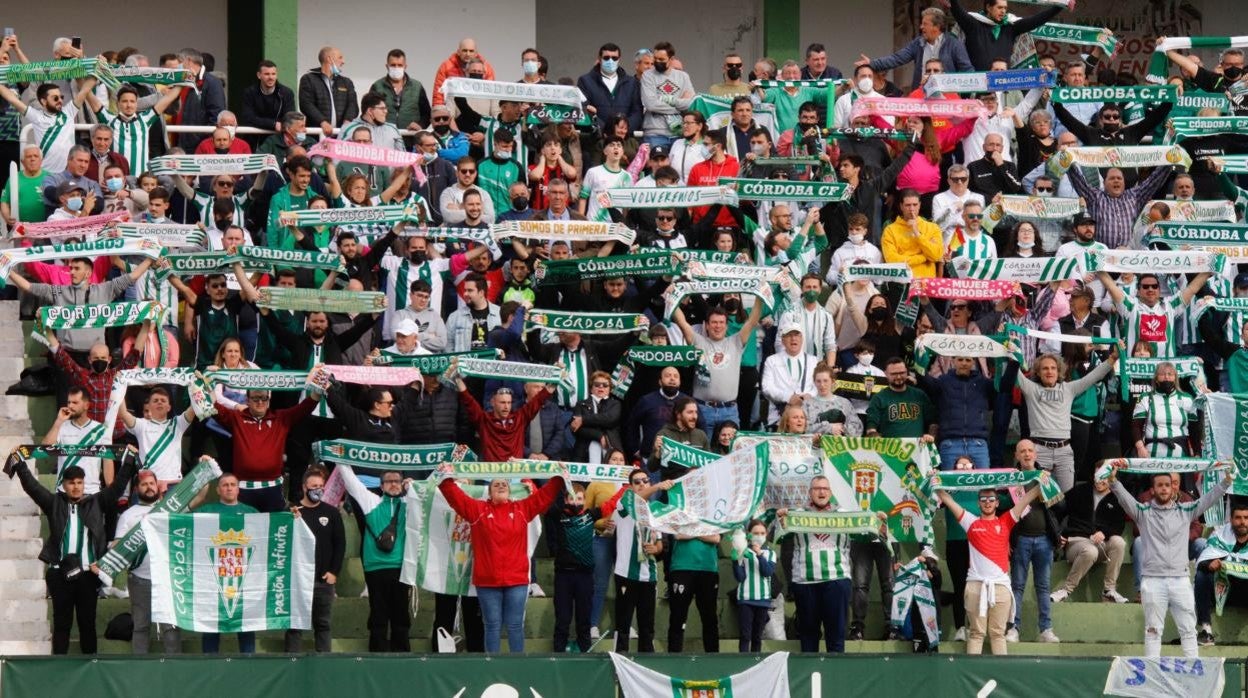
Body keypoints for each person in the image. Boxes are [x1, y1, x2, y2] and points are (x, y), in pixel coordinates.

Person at [10, 452, 136, 655]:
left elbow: (118, 486)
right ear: (63, 485)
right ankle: (59, 667)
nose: (76, 487)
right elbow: (33, 487)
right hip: (59, 573)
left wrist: (129, 460)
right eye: (71, 483)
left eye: (79, 482)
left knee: (87, 624)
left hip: (88, 574)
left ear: (84, 484)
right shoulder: (54, 503)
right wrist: (20, 464)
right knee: (62, 624)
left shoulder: (97, 502)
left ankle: (91, 667)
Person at [1108, 461, 1232, 658]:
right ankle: (1152, 672)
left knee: (1188, 630)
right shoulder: (1142, 512)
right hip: (1152, 580)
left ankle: (1192, 669)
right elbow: (1124, 498)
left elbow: (1208, 499)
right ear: (1152, 490)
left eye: (1167, 485)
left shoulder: (1186, 510)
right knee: (1152, 631)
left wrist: (1226, 481)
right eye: (1160, 485)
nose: (1164, 488)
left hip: (1180, 580)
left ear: (1173, 488)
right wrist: (1113, 481)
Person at [438, 468, 567, 653]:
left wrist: (559, 478)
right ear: (489, 492)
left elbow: (543, 497)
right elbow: (454, 496)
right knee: (492, 625)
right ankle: (493, 665)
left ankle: (516, 665)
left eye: (504, 484)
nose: (500, 486)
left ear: (510, 490)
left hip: (517, 580)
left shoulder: (521, 509)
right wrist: (445, 476)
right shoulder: (477, 510)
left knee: (515, 625)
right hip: (487, 581)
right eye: (496, 484)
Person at [934, 470, 1050, 655]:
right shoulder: (970, 522)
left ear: (997, 502)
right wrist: (936, 482)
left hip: (1001, 587)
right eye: (983, 499)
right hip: (975, 586)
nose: (987, 502)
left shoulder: (1006, 521)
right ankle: (972, 673)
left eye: (991, 499)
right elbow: (948, 500)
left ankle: (1000, 672)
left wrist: (1040, 481)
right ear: (978, 503)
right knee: (976, 633)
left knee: (997, 634)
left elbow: (1025, 499)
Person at [1014, 348, 1118, 492]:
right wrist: (1009, 350)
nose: (1049, 372)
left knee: (1068, 496)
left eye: (1053, 368)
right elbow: (1015, 371)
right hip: (1039, 451)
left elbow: (1093, 377)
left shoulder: (1068, 389)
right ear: (1038, 372)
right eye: (1045, 368)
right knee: (1038, 496)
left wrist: (1113, 358)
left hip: (1064, 452)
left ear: (1059, 372)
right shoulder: (1031, 388)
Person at [776, 476, 859, 653]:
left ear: (830, 492)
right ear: (810, 492)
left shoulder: (845, 515)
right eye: (817, 488)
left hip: (836, 579)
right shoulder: (796, 515)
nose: (821, 492)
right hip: (805, 582)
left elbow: (868, 535)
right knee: (808, 637)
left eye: (825, 489)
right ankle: (810, 671)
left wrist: (879, 524)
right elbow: (775, 537)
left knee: (836, 636)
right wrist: (780, 521)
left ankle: (835, 670)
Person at [337, 466, 412, 652]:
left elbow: (431, 492)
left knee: (401, 616)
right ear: (381, 485)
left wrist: (414, 488)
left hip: (400, 568)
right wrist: (340, 458)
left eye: (397, 481)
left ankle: (403, 658)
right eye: (389, 481)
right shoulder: (371, 501)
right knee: (378, 615)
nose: (393, 484)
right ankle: (377, 657)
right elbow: (352, 483)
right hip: (375, 568)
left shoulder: (409, 502)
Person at [111, 469, 182, 654]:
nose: (149, 487)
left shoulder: (170, 509)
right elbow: (118, 545)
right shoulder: (128, 515)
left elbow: (197, 498)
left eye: (151, 483)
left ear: (157, 486)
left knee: (171, 627)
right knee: (140, 625)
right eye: (144, 484)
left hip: (167, 578)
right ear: (136, 489)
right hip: (139, 578)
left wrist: (205, 470)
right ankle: (139, 666)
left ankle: (175, 666)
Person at [672, 301, 764, 434]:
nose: (718, 326)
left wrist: (759, 298)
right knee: (702, 447)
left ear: (726, 326)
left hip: (729, 411)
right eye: (714, 322)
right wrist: (672, 296)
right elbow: (682, 323)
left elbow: (751, 322)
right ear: (707, 325)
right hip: (703, 409)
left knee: (731, 447)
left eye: (721, 322)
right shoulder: (698, 341)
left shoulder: (736, 341)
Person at [1004, 440, 1062, 644]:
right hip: (1020, 539)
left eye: (1030, 451)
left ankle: (1046, 630)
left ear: (1035, 454)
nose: (1027, 454)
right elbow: (1003, 507)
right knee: (1017, 586)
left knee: (1043, 587)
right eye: (1023, 451)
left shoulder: (1045, 476)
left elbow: (1061, 506)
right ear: (1016, 455)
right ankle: (1013, 629)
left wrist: (1046, 491)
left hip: (1044, 540)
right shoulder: (1012, 478)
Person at [195, 472, 260, 654]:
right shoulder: (206, 511)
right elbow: (183, 522)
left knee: (246, 624)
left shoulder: (252, 513)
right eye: (225, 485)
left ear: (238, 489)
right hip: (212, 579)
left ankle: (249, 664)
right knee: (211, 624)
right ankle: (210, 665)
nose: (229, 488)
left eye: (232, 484)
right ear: (218, 490)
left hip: (243, 579)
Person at [611, 470, 675, 653]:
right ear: (630, 486)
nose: (641, 484)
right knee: (623, 625)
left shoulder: (654, 511)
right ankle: (619, 663)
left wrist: (656, 549)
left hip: (649, 575)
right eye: (637, 482)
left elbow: (659, 543)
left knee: (647, 627)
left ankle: (645, 664)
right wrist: (658, 486)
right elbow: (637, 499)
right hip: (626, 573)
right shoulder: (624, 501)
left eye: (645, 481)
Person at [285, 467, 345, 653]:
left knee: (323, 624)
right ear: (304, 487)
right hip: (298, 580)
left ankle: (324, 664)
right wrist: (290, 520)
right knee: (294, 625)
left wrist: (334, 572)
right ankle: (292, 662)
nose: (318, 490)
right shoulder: (292, 511)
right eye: (314, 486)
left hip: (323, 579)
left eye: (321, 486)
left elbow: (340, 544)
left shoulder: (331, 512)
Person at [1051, 476, 1129, 605]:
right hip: (1076, 542)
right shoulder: (1079, 491)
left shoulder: (1116, 498)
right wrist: (1057, 533)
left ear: (1111, 478)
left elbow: (1119, 525)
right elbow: (1056, 509)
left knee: (1119, 542)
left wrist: (1104, 533)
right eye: (1097, 476)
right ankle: (1065, 590)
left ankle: (1109, 590)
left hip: (1101, 545)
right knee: (1090, 551)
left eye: (1104, 478)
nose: (1100, 481)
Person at [861, 7, 973, 90]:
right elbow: (897, 58)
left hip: (946, 98)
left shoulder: (954, 44)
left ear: (937, 27)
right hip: (921, 96)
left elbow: (967, 70)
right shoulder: (918, 43)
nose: (921, 27)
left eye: (925, 24)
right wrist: (872, 63)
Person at [949, 0, 1064, 71]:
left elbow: (1036, 20)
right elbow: (958, 12)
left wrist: (1060, 6)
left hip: (1003, 84)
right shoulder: (974, 24)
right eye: (1000, 7)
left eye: (1005, 8)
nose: (1003, 11)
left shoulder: (1010, 26)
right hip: (978, 84)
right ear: (988, 7)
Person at [1194, 502, 1248, 646]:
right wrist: (1209, 564)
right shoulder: (1220, 536)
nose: (1242, 522)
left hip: (1244, 593)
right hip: (1221, 592)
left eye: (1246, 518)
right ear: (1231, 519)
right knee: (1202, 575)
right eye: (1238, 518)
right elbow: (1202, 561)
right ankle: (1206, 631)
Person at [667, 526, 722, 654]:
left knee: (710, 617)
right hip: (681, 568)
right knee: (678, 617)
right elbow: (677, 535)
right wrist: (703, 533)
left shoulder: (711, 515)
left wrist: (690, 532)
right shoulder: (680, 512)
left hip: (708, 568)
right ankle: (673, 658)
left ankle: (713, 658)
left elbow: (716, 538)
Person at [733, 519, 777, 652]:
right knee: (745, 636)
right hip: (745, 599)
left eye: (762, 533)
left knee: (757, 637)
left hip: (763, 600)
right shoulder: (742, 551)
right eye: (755, 533)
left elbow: (767, 572)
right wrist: (736, 561)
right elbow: (740, 577)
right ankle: (743, 661)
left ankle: (756, 661)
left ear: (766, 534)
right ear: (748, 534)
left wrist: (759, 554)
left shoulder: (771, 553)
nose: (759, 536)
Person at [881, 189, 943, 279]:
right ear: (901, 206)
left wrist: (917, 233)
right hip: (902, 282)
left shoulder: (932, 227)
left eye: (915, 204)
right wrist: (924, 257)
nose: (911, 209)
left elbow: (936, 256)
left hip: (925, 282)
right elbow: (892, 260)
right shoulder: (890, 230)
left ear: (919, 205)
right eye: (908, 205)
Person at [299, 46, 358, 135]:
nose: (343, 61)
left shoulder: (346, 82)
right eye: (340, 57)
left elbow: (353, 105)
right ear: (329, 59)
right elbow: (306, 104)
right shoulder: (308, 79)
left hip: (340, 135)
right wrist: (322, 121)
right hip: (317, 135)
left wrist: (347, 122)